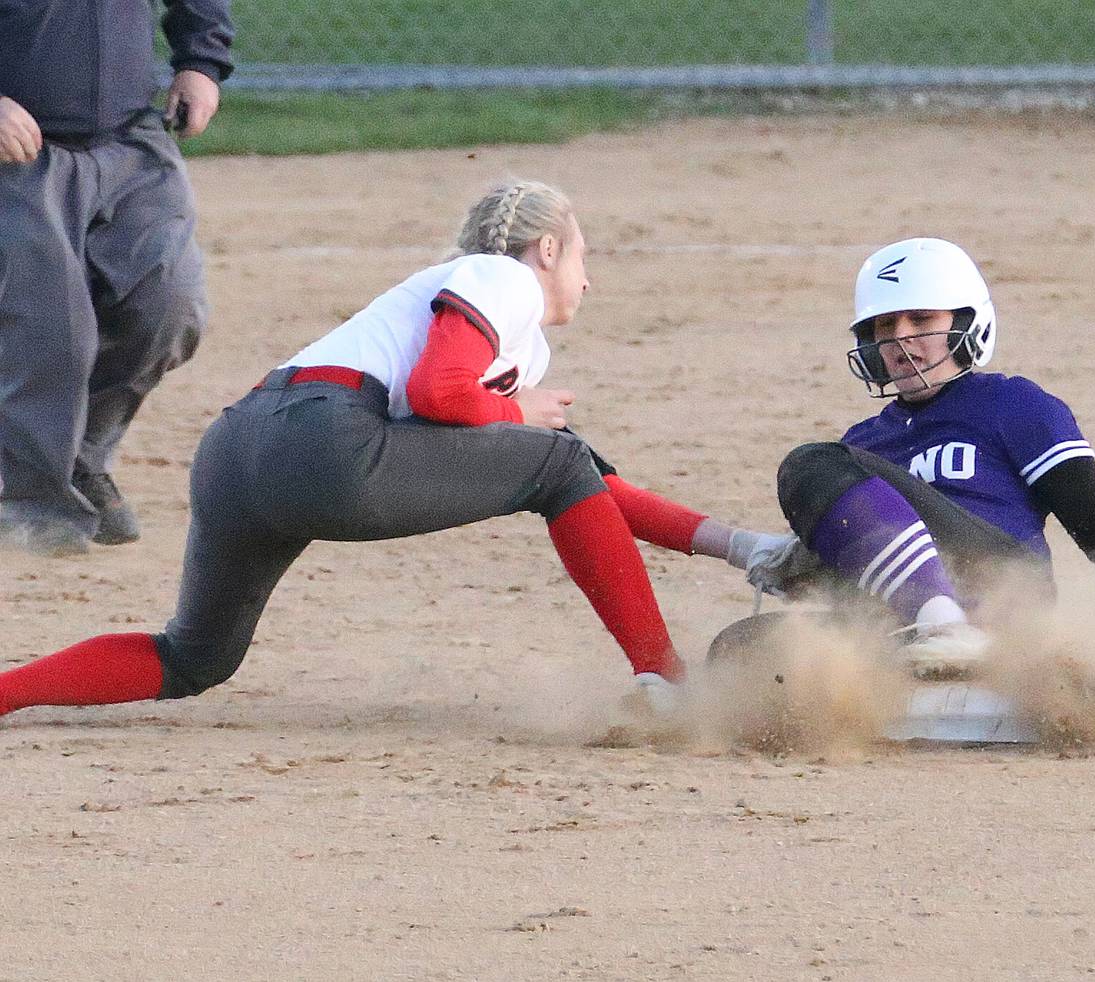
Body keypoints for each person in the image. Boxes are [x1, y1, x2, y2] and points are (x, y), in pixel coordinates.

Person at [0, 180, 786, 720]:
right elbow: (446, 393)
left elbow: (590, 486)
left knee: (194, 656)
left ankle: (6, 692)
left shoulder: (508, 346)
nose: (590, 279)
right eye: (584, 255)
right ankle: (667, 680)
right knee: (555, 462)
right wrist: (509, 409)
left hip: (238, 449)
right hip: (327, 438)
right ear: (545, 248)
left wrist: (742, 547)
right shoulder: (498, 277)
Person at [749, 237, 1095, 671]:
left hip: (1002, 593)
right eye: (884, 326)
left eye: (920, 319)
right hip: (899, 626)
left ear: (967, 325)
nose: (900, 338)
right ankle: (921, 670)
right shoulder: (862, 445)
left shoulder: (1011, 403)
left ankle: (957, 634)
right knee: (744, 649)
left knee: (812, 463)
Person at [0, 0, 234, 557]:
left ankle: (79, 458)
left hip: (130, 140)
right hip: (18, 154)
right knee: (51, 331)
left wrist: (200, 61)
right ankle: (29, 504)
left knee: (168, 307)